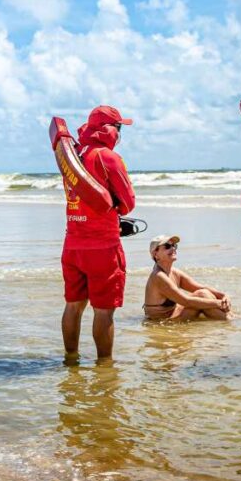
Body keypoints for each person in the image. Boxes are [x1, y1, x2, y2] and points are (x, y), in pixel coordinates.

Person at [61, 105, 136, 361]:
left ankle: (71, 359)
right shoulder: (107, 157)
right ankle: (104, 366)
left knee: (73, 306)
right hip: (103, 247)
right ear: (110, 129)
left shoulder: (73, 155)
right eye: (119, 128)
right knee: (104, 312)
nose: (120, 133)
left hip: (72, 244)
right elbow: (128, 203)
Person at [143, 235, 232, 321]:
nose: (173, 248)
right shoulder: (158, 276)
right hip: (164, 322)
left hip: (175, 313)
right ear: (155, 254)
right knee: (202, 295)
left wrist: (223, 296)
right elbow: (186, 301)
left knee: (203, 293)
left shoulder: (174, 272)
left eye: (174, 245)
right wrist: (219, 303)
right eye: (167, 246)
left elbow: (200, 287)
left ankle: (230, 318)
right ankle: (232, 322)